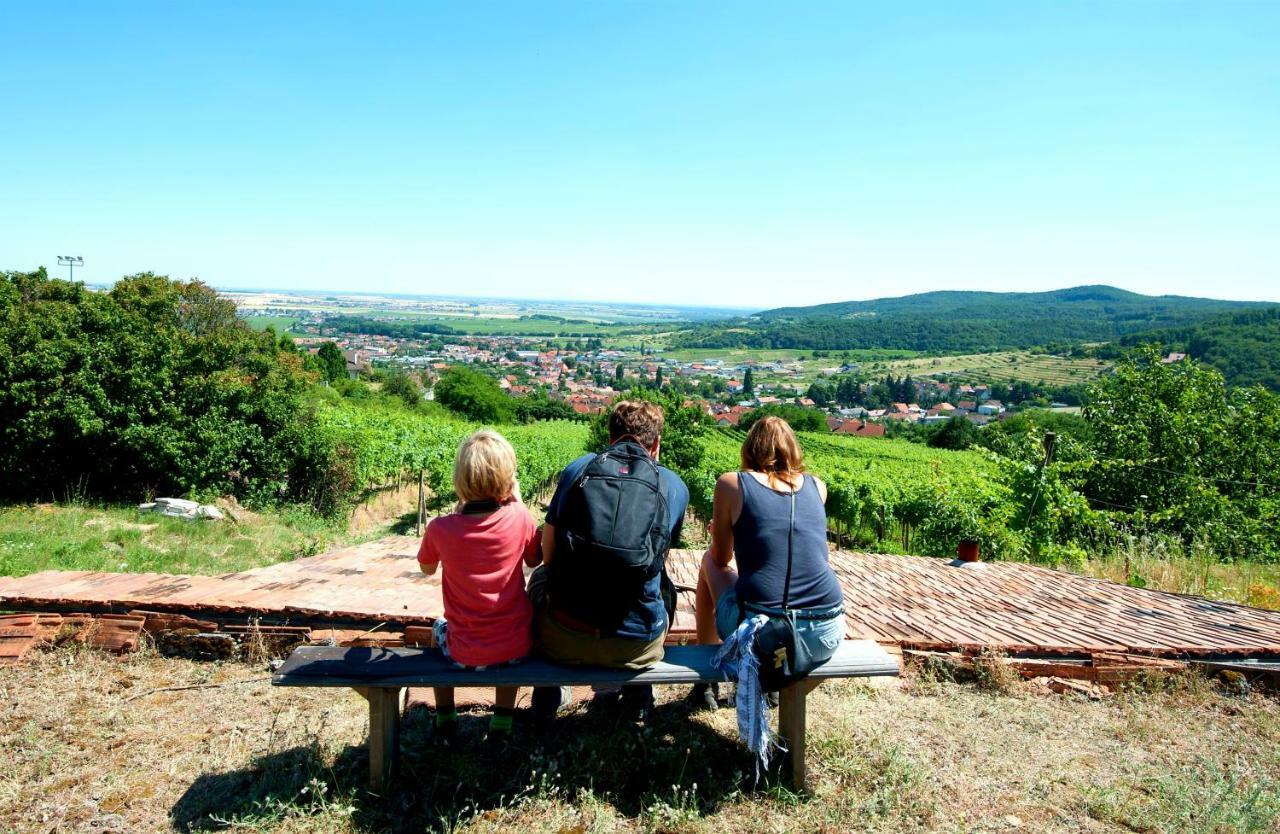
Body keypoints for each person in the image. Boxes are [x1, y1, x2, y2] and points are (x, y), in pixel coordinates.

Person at [528, 399, 690, 722]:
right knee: (666, 587)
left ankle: (547, 693)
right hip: (637, 647)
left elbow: (548, 553)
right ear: (656, 444)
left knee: (540, 578)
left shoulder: (579, 469)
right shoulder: (673, 486)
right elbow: (659, 558)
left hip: (563, 637)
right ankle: (637, 694)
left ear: (610, 435)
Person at [691, 415, 845, 709]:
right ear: (794, 449)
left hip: (767, 634)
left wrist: (726, 532)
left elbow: (722, 557)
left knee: (708, 564)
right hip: (827, 631)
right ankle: (771, 682)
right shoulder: (818, 486)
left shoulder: (731, 483)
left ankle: (706, 681)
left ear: (749, 448)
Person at [417, 429, 542, 745]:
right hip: (517, 645)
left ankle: (445, 714)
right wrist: (520, 504)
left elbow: (426, 568)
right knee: (508, 632)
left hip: (463, 651)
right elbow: (535, 559)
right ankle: (501, 720)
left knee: (439, 628)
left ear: (460, 479)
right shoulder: (520, 517)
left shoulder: (441, 528)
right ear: (508, 478)